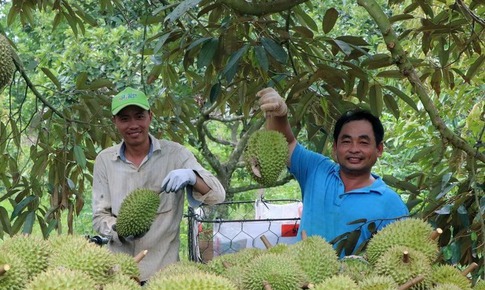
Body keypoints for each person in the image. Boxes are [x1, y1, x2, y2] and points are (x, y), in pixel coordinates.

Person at [92, 87, 225, 283]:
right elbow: (99, 218)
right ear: (115, 122)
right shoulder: (104, 160)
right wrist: (120, 230)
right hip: (120, 276)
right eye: (124, 118)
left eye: (139, 116)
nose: (133, 124)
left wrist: (192, 176)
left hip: (165, 275)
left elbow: (217, 196)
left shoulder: (176, 155)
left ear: (150, 117)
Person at [256, 87, 409, 256]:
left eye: (364, 143)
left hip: (352, 282)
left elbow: (398, 258)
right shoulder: (316, 170)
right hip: (297, 279)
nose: (354, 149)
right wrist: (279, 115)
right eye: (346, 141)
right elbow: (287, 144)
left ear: (379, 149)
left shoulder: (391, 204)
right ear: (335, 148)